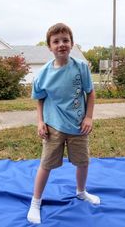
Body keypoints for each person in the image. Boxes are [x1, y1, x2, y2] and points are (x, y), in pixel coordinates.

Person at [27, 23, 100, 224]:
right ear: (49, 47)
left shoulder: (81, 67)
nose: (61, 44)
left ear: (72, 43)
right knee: (46, 164)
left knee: (83, 162)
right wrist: (40, 122)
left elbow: (90, 92)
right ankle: (35, 202)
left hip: (78, 126)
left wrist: (89, 117)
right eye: (56, 41)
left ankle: (81, 192)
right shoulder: (43, 74)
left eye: (65, 40)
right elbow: (40, 98)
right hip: (54, 127)